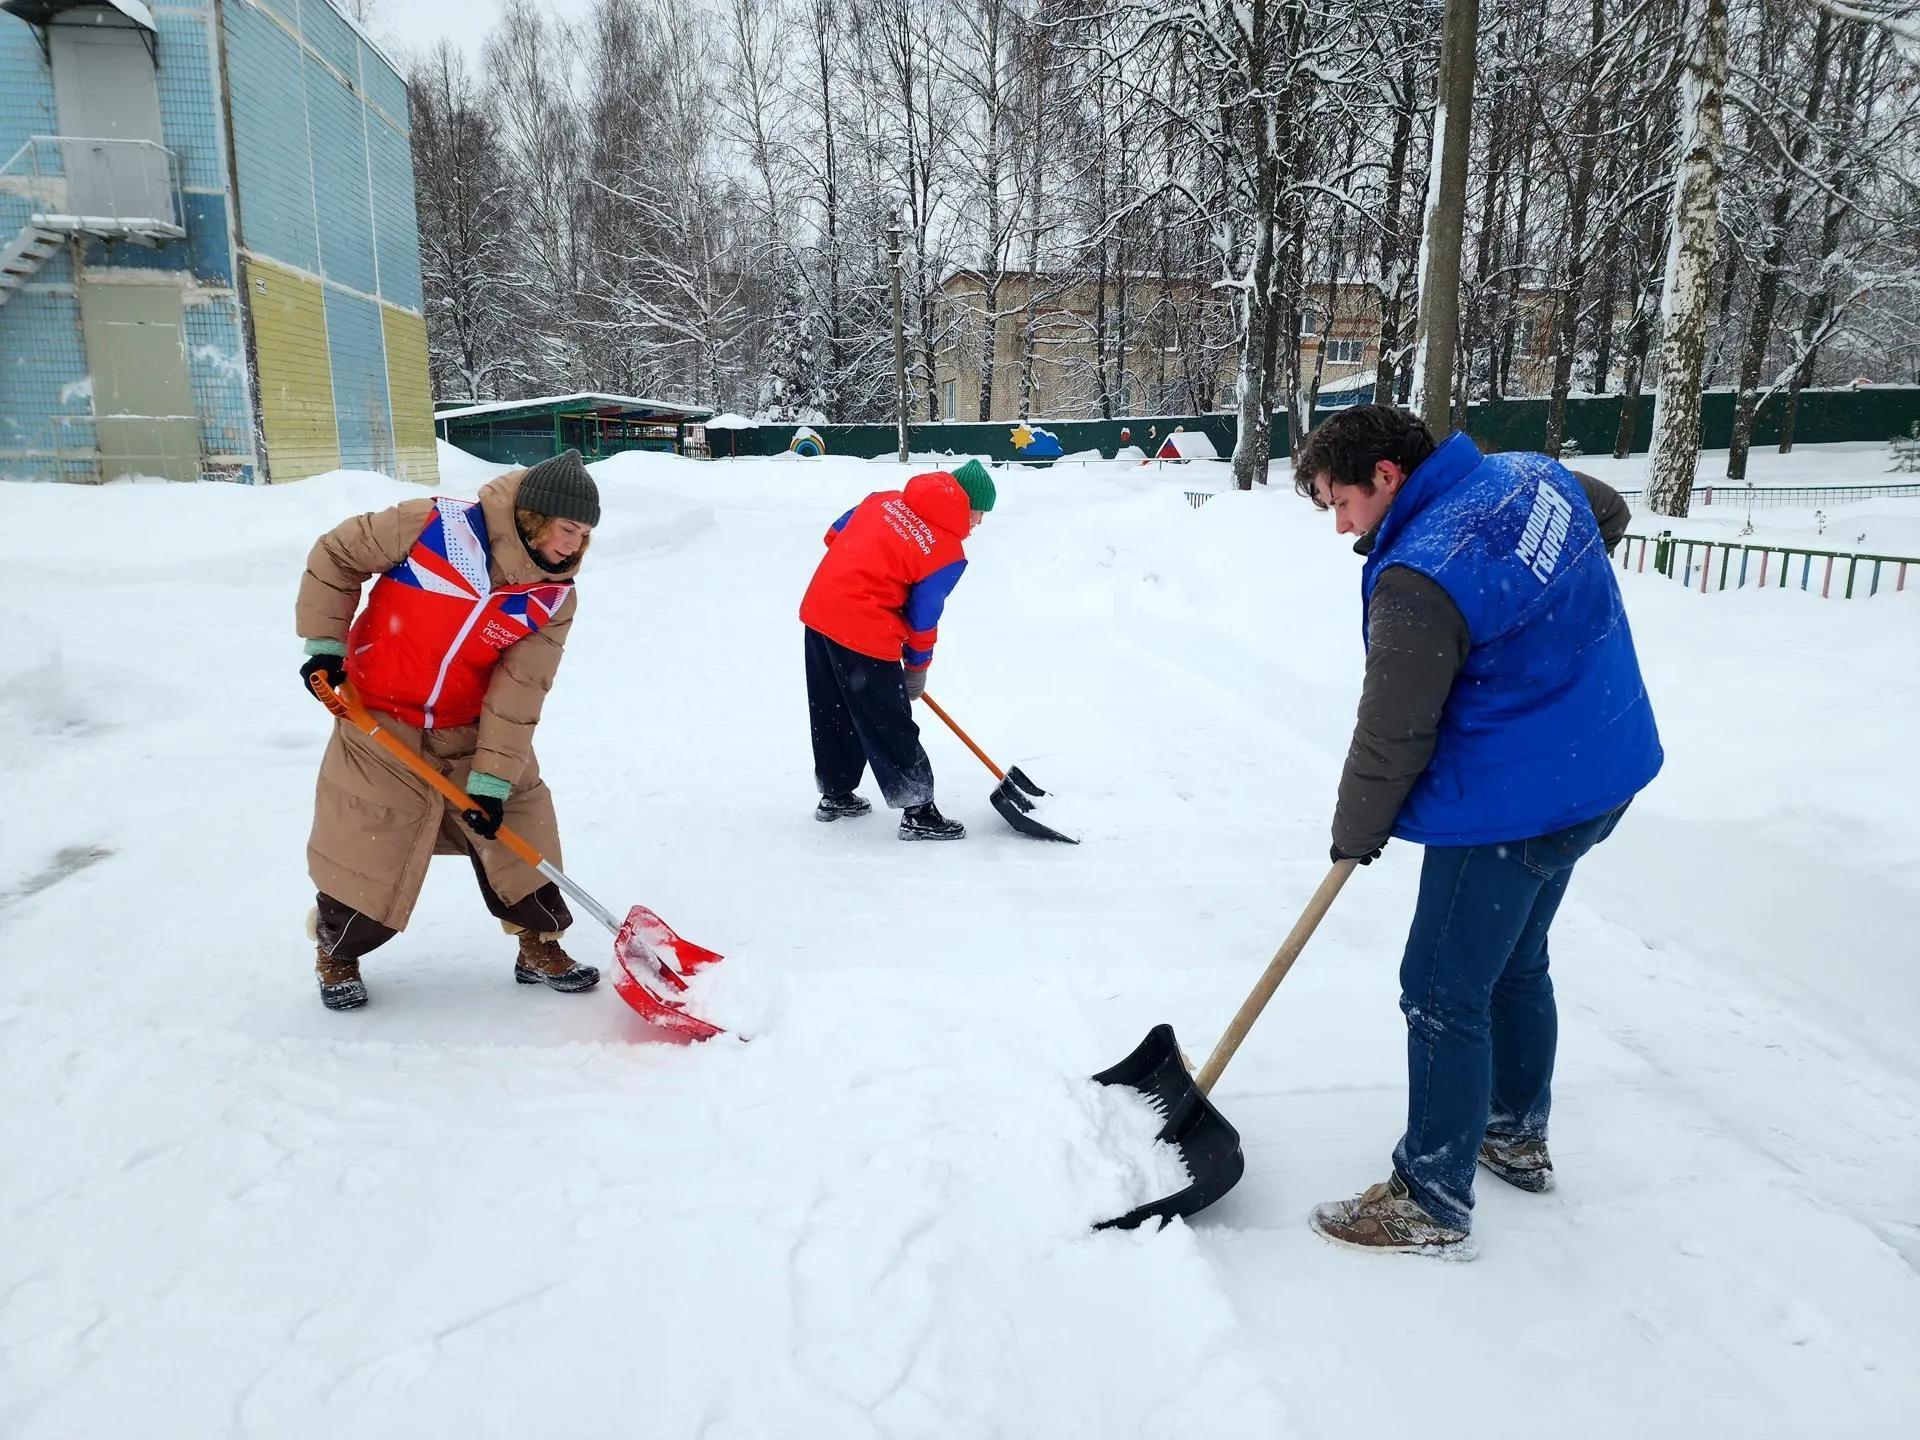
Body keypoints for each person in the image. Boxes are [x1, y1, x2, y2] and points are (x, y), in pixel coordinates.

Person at [1294, 406, 1661, 1257]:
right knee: (1513, 961)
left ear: (1386, 475)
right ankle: (1514, 1134)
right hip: (1600, 767)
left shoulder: (1421, 578)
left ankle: (1429, 1197)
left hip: (1516, 803)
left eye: (1340, 503)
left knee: (1440, 986)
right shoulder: (1528, 474)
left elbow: (1393, 732)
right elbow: (1607, 511)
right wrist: (1539, 630)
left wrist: (1355, 835)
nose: (1341, 526)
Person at [295, 450, 602, 1011]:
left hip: (469, 723)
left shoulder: (551, 597)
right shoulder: (436, 527)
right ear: (533, 517)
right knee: (366, 837)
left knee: (521, 829)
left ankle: (539, 942)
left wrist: (491, 780)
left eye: (584, 535)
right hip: (379, 716)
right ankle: (337, 950)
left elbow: (519, 693)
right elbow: (336, 554)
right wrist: (325, 644)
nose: (573, 546)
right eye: (566, 530)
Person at [798, 458, 997, 840]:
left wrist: (868, 574)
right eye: (979, 512)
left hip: (819, 611)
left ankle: (836, 794)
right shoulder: (946, 551)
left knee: (833, 706)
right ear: (961, 503)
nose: (979, 522)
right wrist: (917, 666)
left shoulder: (883, 500)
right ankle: (918, 810)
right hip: (863, 629)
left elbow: (834, 533)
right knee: (888, 718)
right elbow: (924, 618)